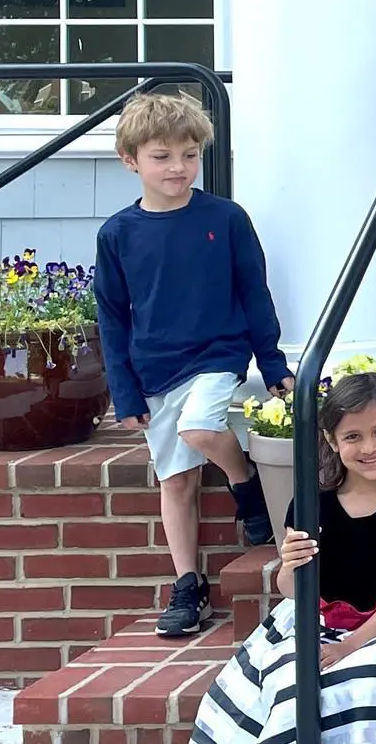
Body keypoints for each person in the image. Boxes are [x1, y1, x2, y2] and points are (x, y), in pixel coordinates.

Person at [186, 373, 376, 744]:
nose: (369, 447)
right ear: (330, 438)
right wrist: (290, 562)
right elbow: (290, 590)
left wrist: (349, 646)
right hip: (320, 615)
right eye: (353, 436)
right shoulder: (311, 501)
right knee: (289, 673)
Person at [94, 92, 292, 640]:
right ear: (130, 160)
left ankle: (244, 480)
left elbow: (254, 293)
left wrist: (272, 362)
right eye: (162, 156)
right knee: (176, 481)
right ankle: (188, 583)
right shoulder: (118, 234)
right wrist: (125, 391)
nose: (177, 167)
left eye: (188, 155)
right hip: (155, 368)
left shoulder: (224, 219)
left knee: (201, 427)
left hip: (217, 356)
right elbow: (112, 317)